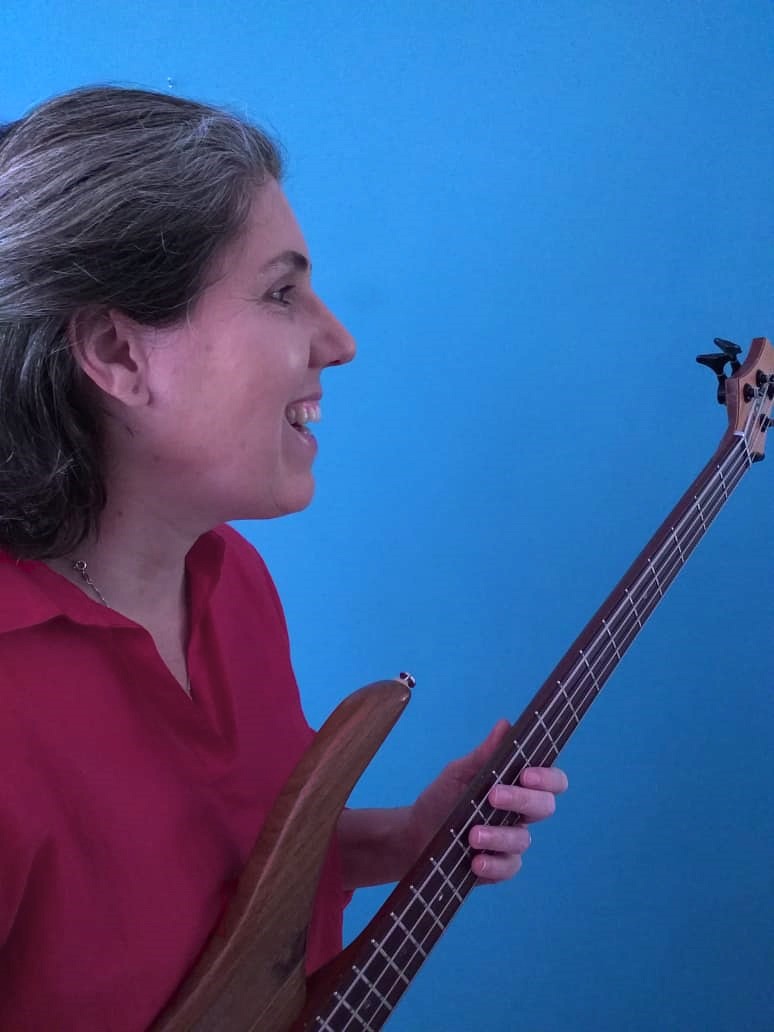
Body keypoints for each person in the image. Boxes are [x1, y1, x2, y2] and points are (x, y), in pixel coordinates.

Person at [0, 85, 568, 1030]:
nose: (338, 342)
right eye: (280, 292)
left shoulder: (231, 583)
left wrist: (402, 841)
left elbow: (211, 879)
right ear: (117, 352)